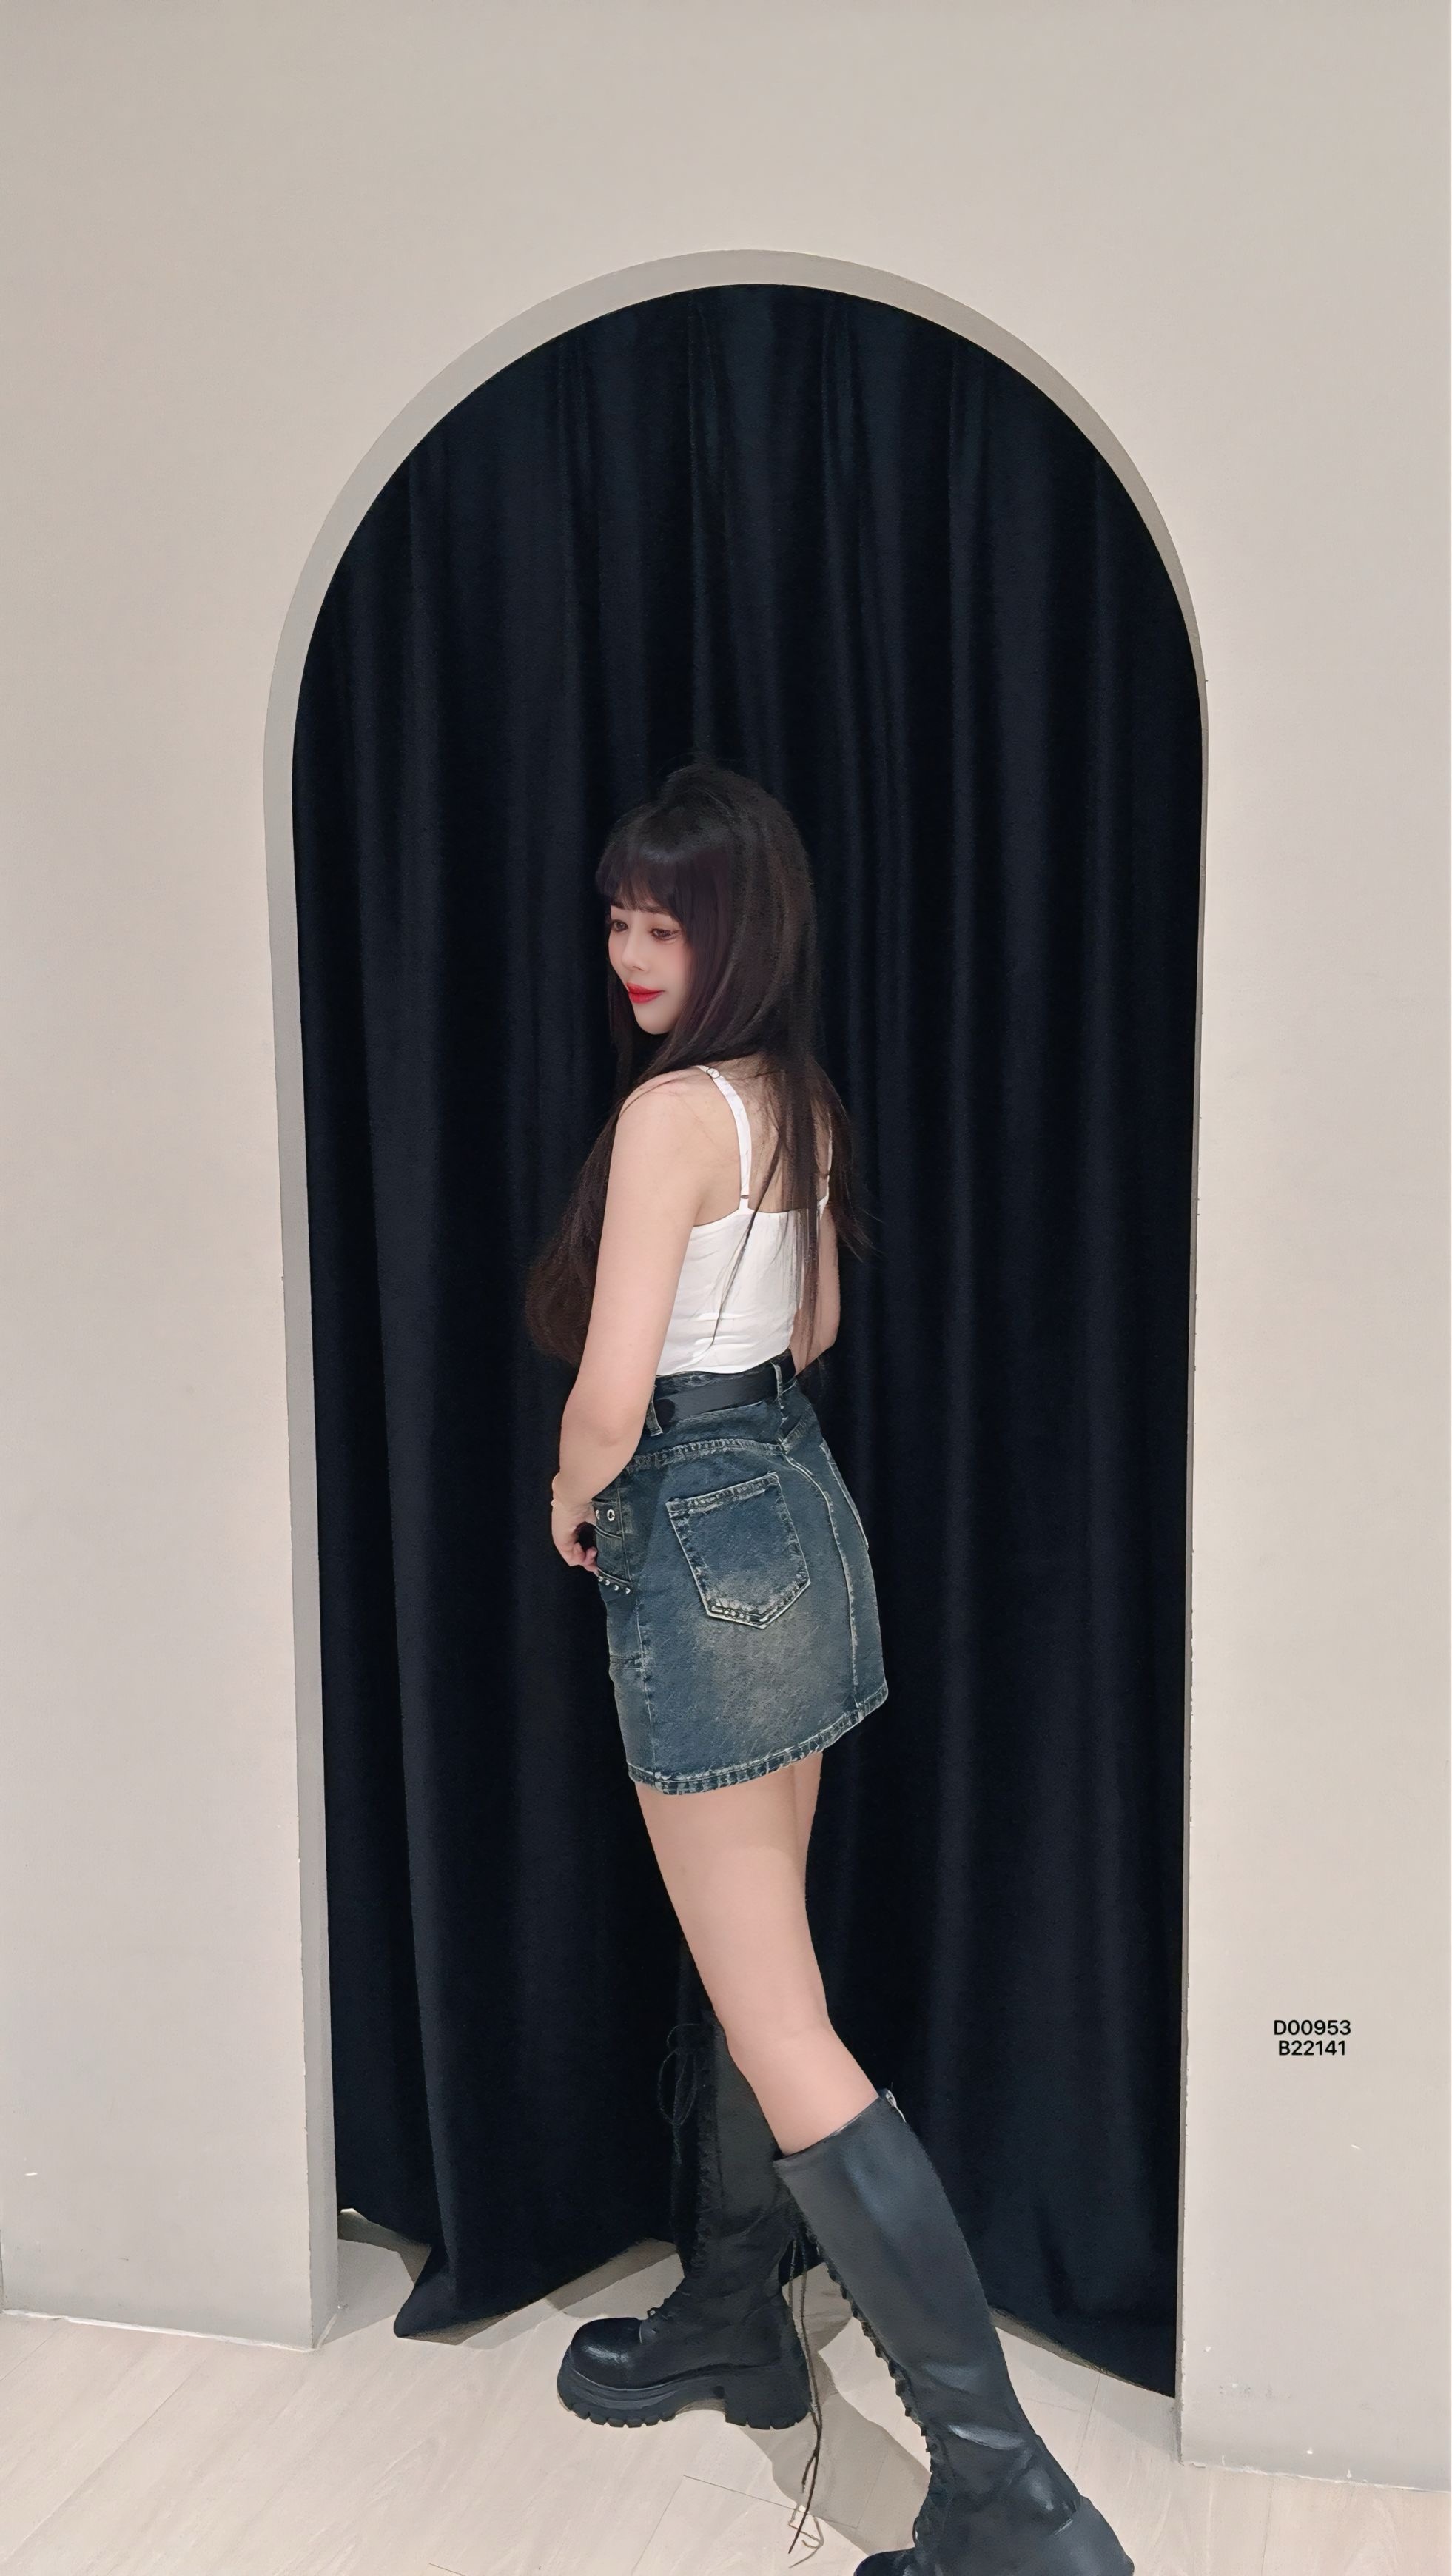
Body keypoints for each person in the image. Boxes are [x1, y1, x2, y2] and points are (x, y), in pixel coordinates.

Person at [523, 764, 1133, 2576]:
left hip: (696, 1526)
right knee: (759, 1970)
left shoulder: (667, 1118)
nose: (633, 951)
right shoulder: (791, 1098)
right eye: (620, 917)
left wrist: (571, 1494)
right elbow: (817, 1326)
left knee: (780, 2019)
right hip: (801, 1511)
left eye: (667, 921)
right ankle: (735, 2314)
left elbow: (612, 1395)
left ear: (737, 931)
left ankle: (1011, 2501)